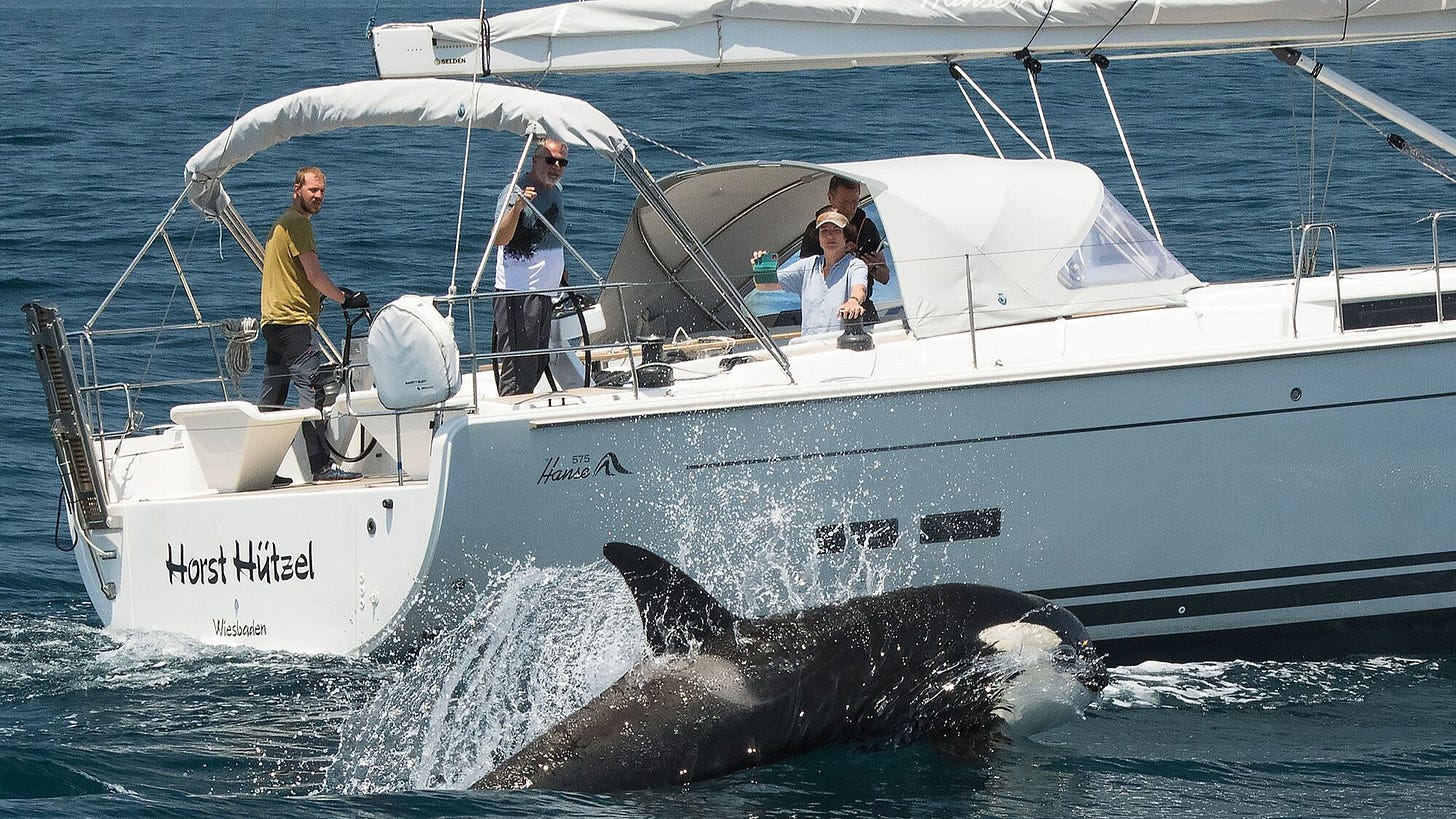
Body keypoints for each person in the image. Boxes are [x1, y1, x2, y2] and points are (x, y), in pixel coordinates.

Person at [258, 166, 369, 484]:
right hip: (292, 324)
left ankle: (259, 469)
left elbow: (295, 278)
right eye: (312, 190)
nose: (318, 196)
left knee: (272, 400)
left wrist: (321, 296)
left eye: (322, 191)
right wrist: (344, 299)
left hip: (273, 323)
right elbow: (314, 275)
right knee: (313, 391)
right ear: (297, 190)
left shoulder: (282, 223)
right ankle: (321, 469)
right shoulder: (297, 224)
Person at [491, 138, 570, 395]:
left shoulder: (555, 191)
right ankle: (509, 423)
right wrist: (517, 208)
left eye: (562, 162)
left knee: (537, 363)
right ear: (534, 160)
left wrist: (560, 270)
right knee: (517, 371)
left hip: (545, 292)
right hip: (519, 293)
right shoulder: (515, 191)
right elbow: (499, 238)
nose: (556, 166)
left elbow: (551, 237)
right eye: (550, 160)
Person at [753, 210, 867, 337]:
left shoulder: (855, 265)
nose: (830, 235)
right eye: (824, 231)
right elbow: (765, 285)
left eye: (836, 230)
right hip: (809, 347)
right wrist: (762, 270)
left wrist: (853, 301)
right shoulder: (807, 266)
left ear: (845, 237)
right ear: (818, 238)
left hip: (840, 346)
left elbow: (860, 288)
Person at [798, 175, 888, 322]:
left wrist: (871, 267)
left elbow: (885, 277)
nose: (850, 209)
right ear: (830, 197)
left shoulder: (867, 227)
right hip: (825, 308)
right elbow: (802, 277)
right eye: (844, 203)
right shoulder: (815, 230)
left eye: (854, 202)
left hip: (862, 305)